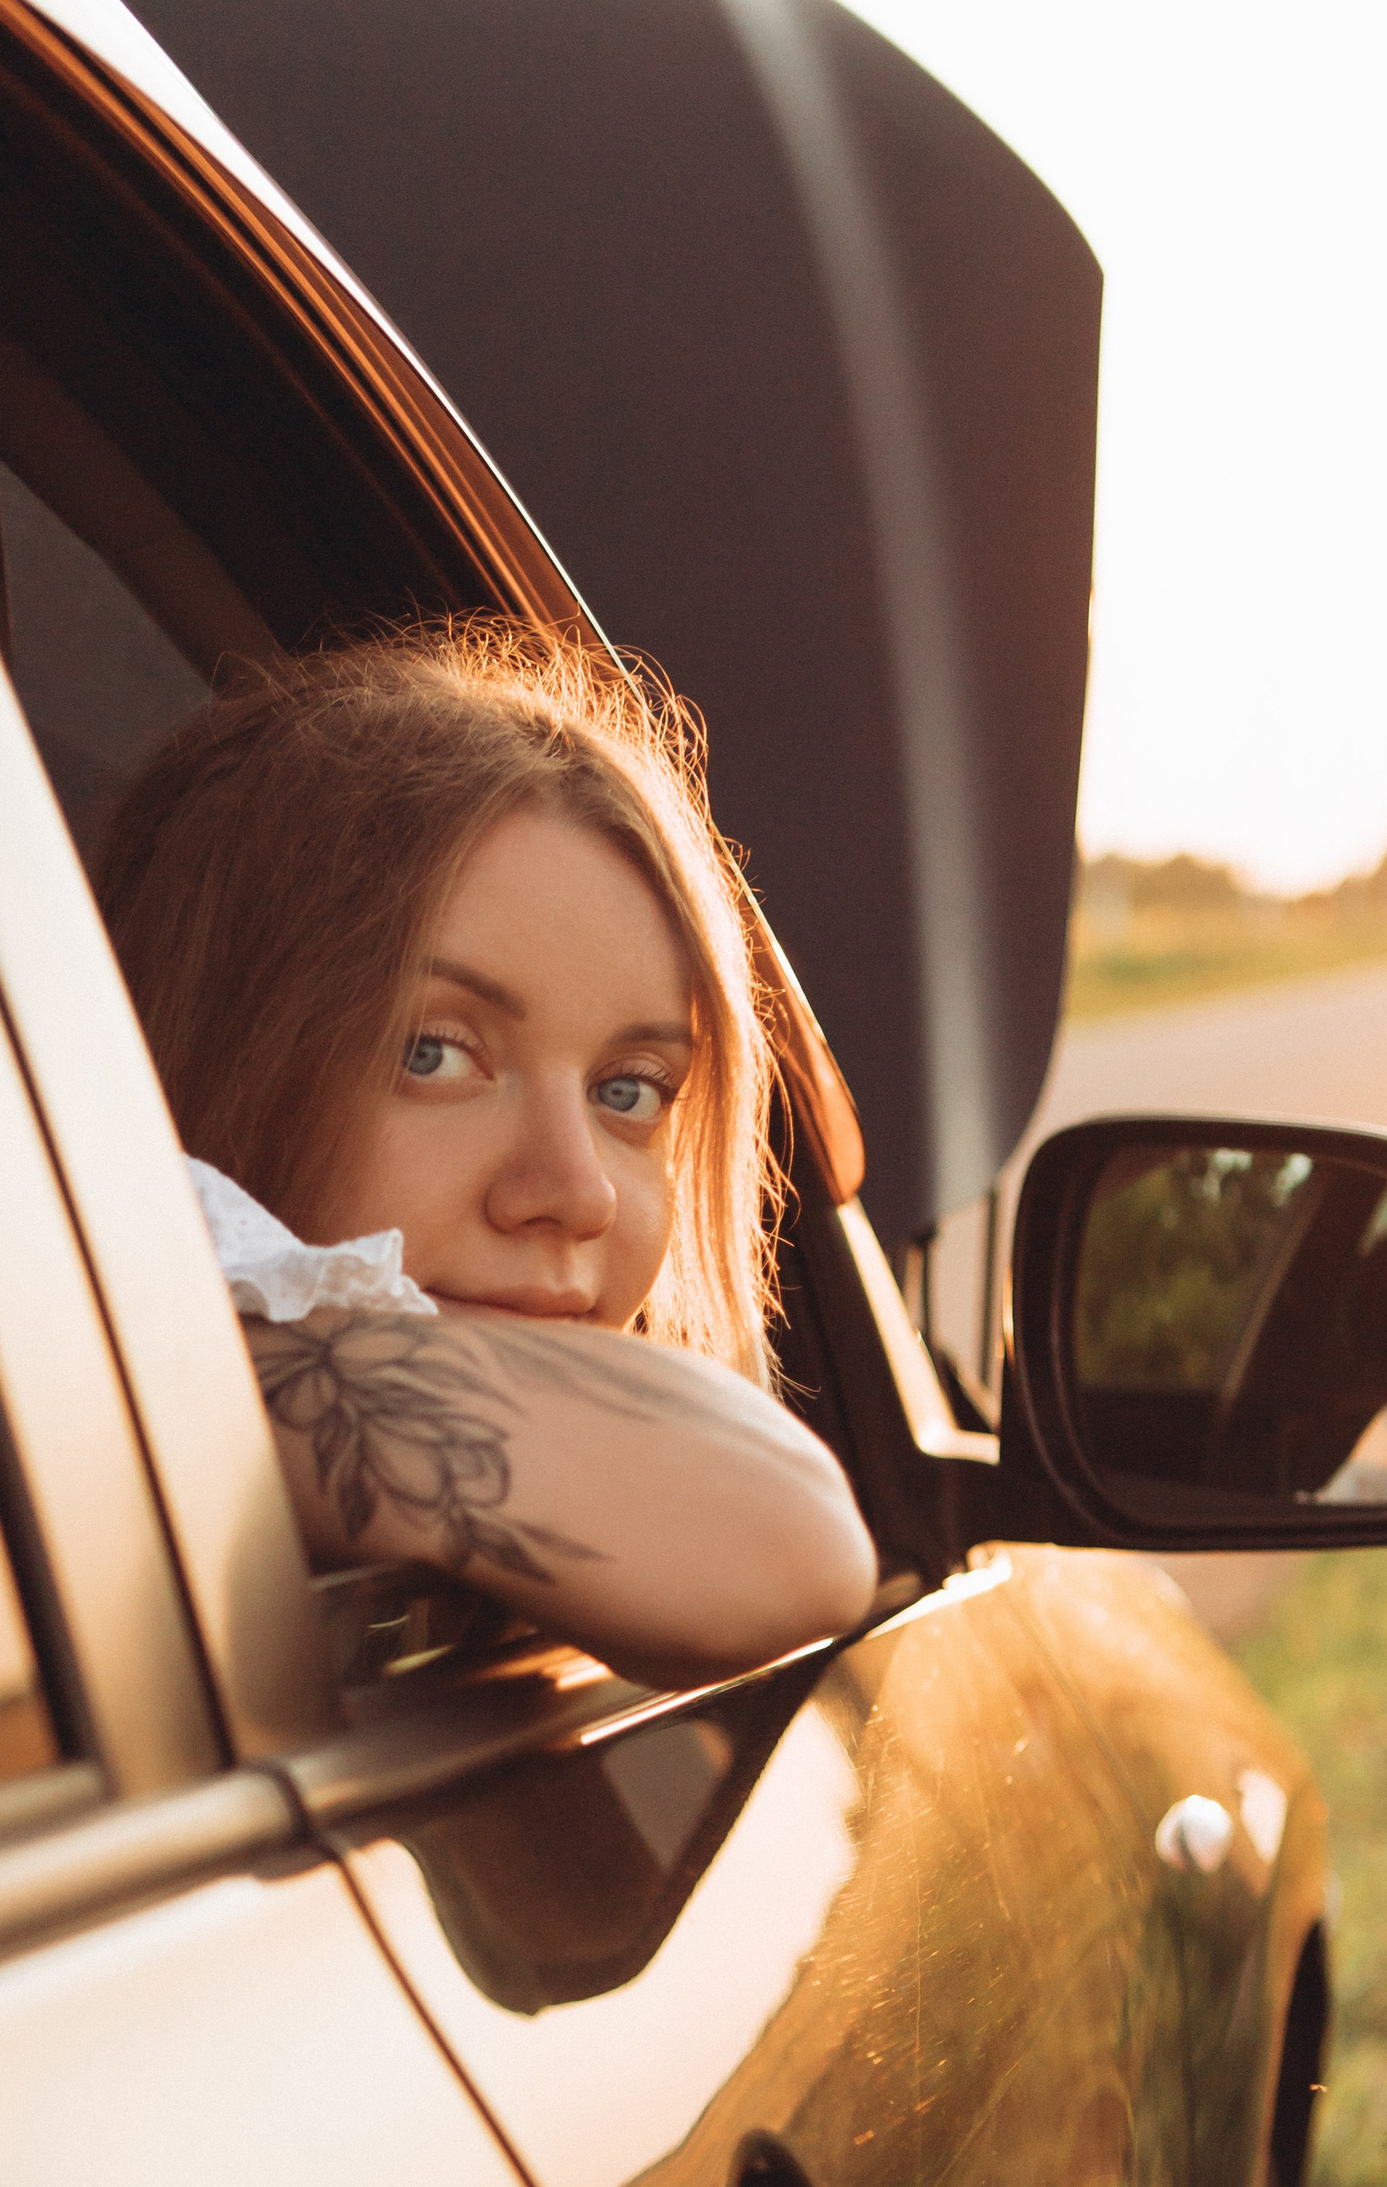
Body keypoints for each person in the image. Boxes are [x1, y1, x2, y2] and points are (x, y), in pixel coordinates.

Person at [96, 621, 879, 1685]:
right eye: (434, 1052)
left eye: (628, 1091)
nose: (575, 1191)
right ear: (220, 1048)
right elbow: (789, 1546)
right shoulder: (72, 1341)